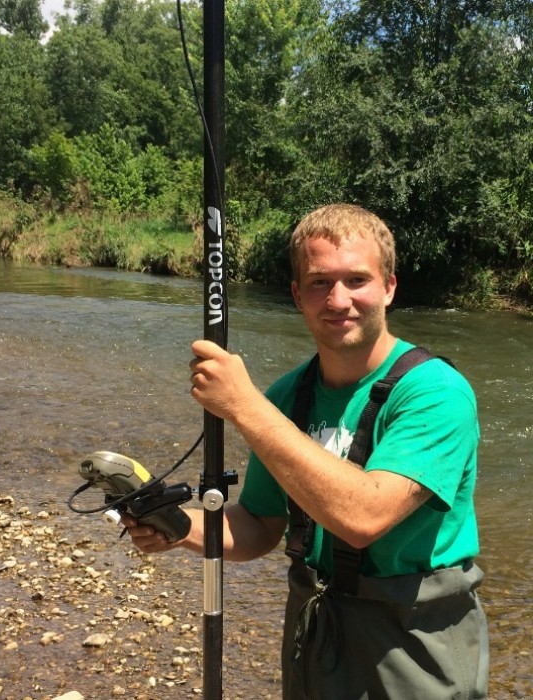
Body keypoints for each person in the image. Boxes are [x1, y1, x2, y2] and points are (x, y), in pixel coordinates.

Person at [122, 203, 488, 699]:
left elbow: (363, 516)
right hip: (314, 627)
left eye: (357, 279)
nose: (339, 299)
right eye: (319, 282)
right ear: (297, 295)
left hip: (414, 640)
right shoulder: (287, 398)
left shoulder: (436, 393)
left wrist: (245, 407)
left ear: (390, 287)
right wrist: (178, 527)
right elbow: (259, 524)